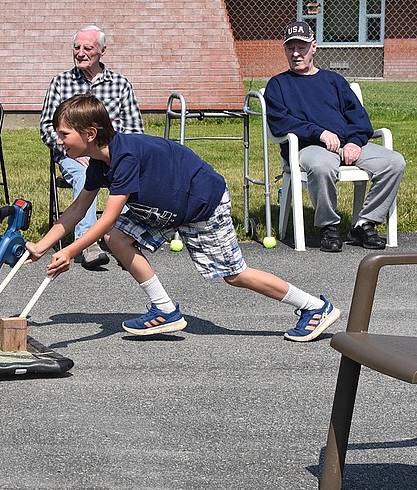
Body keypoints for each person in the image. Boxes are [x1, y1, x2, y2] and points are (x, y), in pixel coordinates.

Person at [25, 94, 341, 343]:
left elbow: (106, 218)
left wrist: (69, 251)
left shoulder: (124, 157)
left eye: (64, 134)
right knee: (117, 238)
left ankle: (315, 306)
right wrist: (43, 245)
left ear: (90, 133)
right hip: (164, 205)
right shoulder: (98, 161)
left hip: (201, 203)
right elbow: (78, 210)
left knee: (234, 275)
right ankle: (164, 309)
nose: (60, 140)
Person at [262, 21, 406, 253]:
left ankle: (364, 224)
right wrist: (318, 132)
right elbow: (280, 123)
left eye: (302, 47)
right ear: (285, 50)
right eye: (291, 49)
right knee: (321, 166)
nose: (296, 54)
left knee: (394, 162)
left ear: (314, 47)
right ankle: (329, 227)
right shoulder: (278, 85)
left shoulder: (334, 81)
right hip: (307, 147)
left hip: (347, 144)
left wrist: (354, 142)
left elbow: (360, 119)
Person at [39, 25, 144, 269]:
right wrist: (78, 153)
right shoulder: (60, 82)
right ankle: (88, 244)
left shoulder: (120, 84)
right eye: (76, 47)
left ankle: (125, 238)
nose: (81, 52)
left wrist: (108, 154)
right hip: (74, 156)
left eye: (88, 48)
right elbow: (46, 127)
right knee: (84, 174)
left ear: (102, 51)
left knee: (131, 175)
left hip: (114, 154)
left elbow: (135, 129)